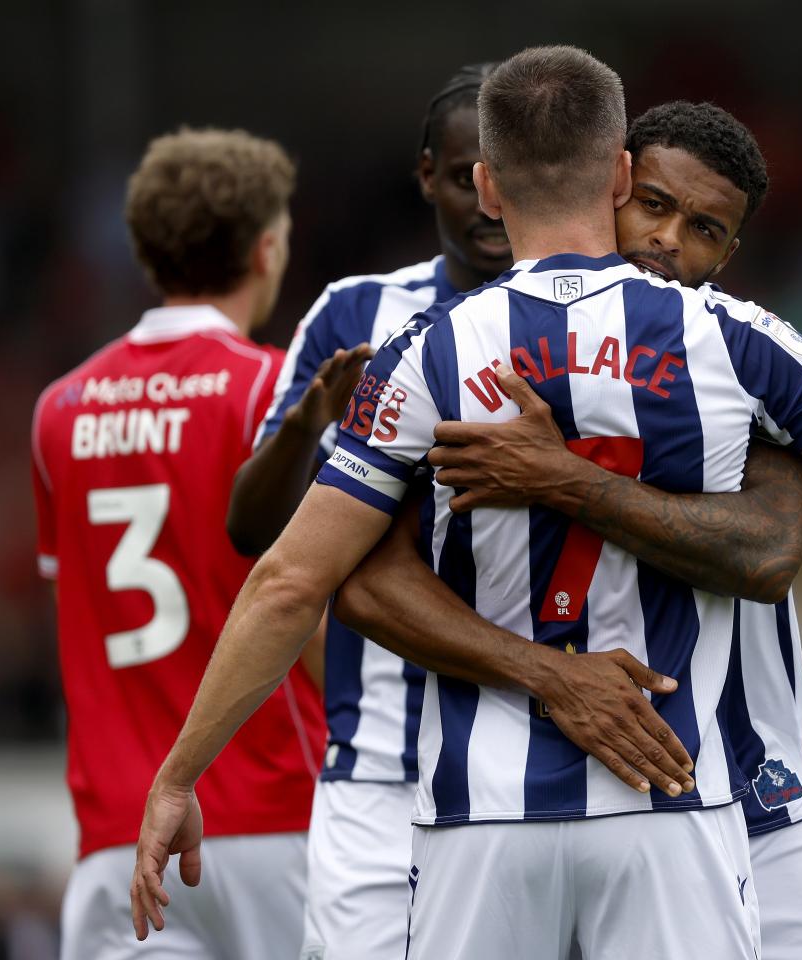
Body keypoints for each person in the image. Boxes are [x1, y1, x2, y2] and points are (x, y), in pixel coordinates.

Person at [131, 46, 802, 959]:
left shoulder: (422, 352)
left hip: (480, 814)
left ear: (487, 185)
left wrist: (178, 777)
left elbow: (289, 582)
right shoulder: (729, 338)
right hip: (674, 802)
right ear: (620, 175)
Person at [335, 99, 802, 959]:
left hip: (756, 797)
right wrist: (551, 673)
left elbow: (771, 555)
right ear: (612, 183)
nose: (666, 239)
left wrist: (563, 479)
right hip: (539, 804)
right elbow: (356, 574)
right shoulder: (465, 356)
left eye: (701, 227)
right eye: (653, 205)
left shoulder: (747, 369)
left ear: (730, 253)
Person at [224, 63, 514, 960]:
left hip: (523, 770)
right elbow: (249, 529)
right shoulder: (355, 310)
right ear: (426, 173)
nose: (485, 199)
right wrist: (310, 420)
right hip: (377, 775)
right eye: (463, 174)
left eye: (500, 175)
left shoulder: (586, 319)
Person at [30, 127, 325, 960]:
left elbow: (76, 622)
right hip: (277, 819)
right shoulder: (273, 391)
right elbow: (310, 609)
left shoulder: (60, 409)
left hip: (118, 841)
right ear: (267, 248)